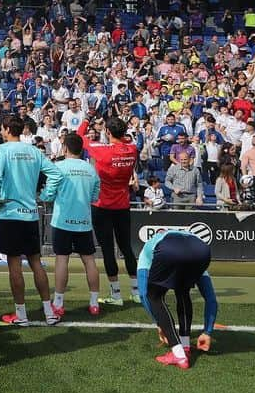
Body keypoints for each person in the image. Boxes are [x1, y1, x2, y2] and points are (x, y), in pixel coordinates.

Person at [0, 115, 64, 326]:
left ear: (6, 129)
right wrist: (45, 196)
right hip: (30, 213)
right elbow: (56, 175)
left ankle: (21, 315)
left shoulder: (1, 150)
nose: (1, 132)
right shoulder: (33, 150)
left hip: (10, 214)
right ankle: (49, 311)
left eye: (2, 129)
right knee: (35, 262)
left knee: (14, 265)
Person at [77, 117, 140, 305]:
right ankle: (136, 292)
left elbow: (80, 136)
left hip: (102, 205)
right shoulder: (132, 149)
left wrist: (87, 119)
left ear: (108, 132)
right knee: (126, 248)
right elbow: (127, 142)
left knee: (107, 250)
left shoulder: (102, 150)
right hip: (122, 205)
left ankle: (116, 295)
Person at [137, 229, 219, 370]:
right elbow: (211, 298)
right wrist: (207, 332)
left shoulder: (147, 252)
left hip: (169, 251)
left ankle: (179, 354)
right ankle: (185, 346)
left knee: (154, 296)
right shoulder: (190, 243)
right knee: (183, 290)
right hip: (203, 251)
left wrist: (160, 323)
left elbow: (144, 295)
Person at [41, 133, 102, 318]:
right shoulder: (91, 170)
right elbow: (95, 197)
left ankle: (58, 302)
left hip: (62, 221)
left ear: (65, 148)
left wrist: (44, 196)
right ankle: (94, 303)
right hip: (83, 221)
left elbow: (49, 195)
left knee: (62, 259)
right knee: (89, 260)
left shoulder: (57, 167)